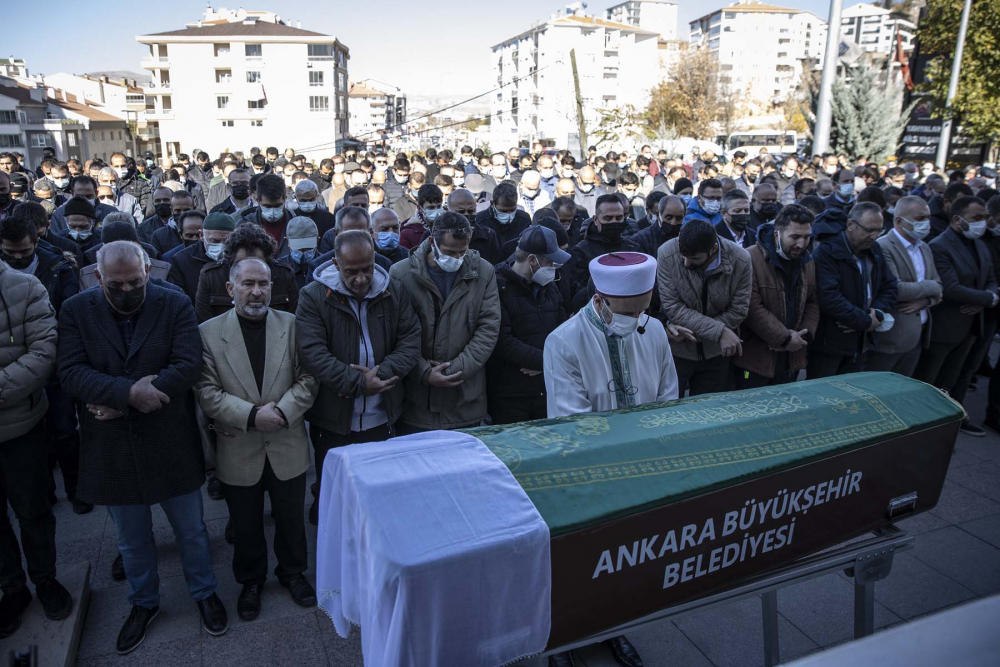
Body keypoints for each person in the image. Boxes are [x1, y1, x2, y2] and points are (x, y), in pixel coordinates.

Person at [57, 241, 228, 653]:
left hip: (169, 437)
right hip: (111, 445)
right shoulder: (77, 310)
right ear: (99, 278)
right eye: (117, 284)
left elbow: (187, 365)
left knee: (191, 529)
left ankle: (204, 592)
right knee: (132, 539)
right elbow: (71, 372)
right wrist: (128, 393)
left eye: (135, 281)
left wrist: (125, 402)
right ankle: (144, 602)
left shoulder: (175, 303)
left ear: (148, 270)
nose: (127, 290)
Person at [543, 250, 677, 667]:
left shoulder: (651, 328)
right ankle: (559, 641)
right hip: (586, 471)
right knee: (576, 562)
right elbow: (573, 422)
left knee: (623, 561)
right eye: (627, 311)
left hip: (643, 466)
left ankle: (612, 628)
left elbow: (668, 396)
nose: (636, 320)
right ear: (601, 299)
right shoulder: (564, 341)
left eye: (642, 309)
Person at [195, 257, 319, 620]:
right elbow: (206, 391)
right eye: (248, 284)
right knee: (245, 523)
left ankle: (293, 573)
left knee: (291, 519)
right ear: (231, 289)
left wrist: (280, 412)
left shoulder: (294, 325)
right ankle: (250, 581)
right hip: (239, 446)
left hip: (286, 438)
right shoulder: (208, 332)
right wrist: (252, 416)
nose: (257, 291)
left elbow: (309, 379)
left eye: (263, 283)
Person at [296, 230, 421, 523]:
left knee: (379, 495)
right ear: (337, 264)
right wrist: (358, 384)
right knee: (336, 496)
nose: (361, 279)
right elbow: (312, 353)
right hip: (334, 419)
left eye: (366, 269)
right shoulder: (313, 296)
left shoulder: (395, 291)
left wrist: (382, 375)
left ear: (374, 258)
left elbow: (410, 340)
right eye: (352, 272)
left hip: (383, 414)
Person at [0, 252, 74, 638]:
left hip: (20, 424)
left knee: (33, 510)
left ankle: (45, 579)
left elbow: (44, 353)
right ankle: (12, 586)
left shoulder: (24, 287)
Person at [389, 212, 500, 433]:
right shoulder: (401, 274)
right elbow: (394, 333)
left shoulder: (483, 272)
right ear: (432, 241)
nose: (457, 259)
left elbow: (488, 328)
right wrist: (423, 372)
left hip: (464, 399)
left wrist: (455, 370)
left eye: (462, 252)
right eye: (449, 252)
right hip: (415, 401)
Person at [913, 196, 996, 436]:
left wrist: (987, 299)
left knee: (959, 376)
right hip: (945, 326)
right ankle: (920, 428)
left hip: (971, 325)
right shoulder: (940, 245)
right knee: (930, 380)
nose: (983, 222)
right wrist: (986, 299)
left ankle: (949, 421)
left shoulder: (979, 244)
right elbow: (949, 288)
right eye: (977, 218)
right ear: (958, 220)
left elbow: (990, 278)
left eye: (985, 217)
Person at [658, 219, 752, 395]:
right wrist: (720, 332)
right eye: (683, 256)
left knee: (707, 411)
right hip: (677, 352)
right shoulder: (666, 253)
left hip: (716, 354)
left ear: (713, 250)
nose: (686, 263)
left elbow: (738, 310)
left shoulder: (741, 260)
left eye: (694, 258)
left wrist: (709, 333)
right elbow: (672, 307)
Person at [487, 226, 569, 424]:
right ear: (532, 260)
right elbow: (502, 340)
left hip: (546, 388)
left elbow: (563, 330)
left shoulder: (549, 288)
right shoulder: (498, 286)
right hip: (510, 394)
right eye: (550, 262)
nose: (554, 268)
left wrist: (547, 363)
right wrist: (546, 360)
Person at [809, 202, 899, 378]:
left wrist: (877, 314)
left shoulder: (874, 249)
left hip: (860, 342)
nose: (874, 236)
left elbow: (890, 286)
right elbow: (829, 297)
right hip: (829, 344)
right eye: (869, 230)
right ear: (850, 225)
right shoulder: (827, 252)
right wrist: (865, 321)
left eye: (879, 230)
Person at [733, 205, 818, 388]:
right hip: (756, 360)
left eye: (806, 237)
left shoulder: (807, 261)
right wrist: (785, 338)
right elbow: (751, 307)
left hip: (792, 358)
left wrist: (804, 335)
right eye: (795, 237)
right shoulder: (749, 258)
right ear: (777, 235)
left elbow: (812, 301)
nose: (801, 244)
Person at [866, 196, 943, 375]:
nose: (926, 223)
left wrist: (925, 302)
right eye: (919, 219)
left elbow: (940, 287)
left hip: (917, 337)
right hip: (890, 340)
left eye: (928, 217)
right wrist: (930, 287)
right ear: (900, 221)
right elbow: (896, 289)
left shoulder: (924, 247)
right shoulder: (883, 246)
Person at [195, 221, 299, 324]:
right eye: (243, 263)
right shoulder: (211, 277)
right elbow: (206, 323)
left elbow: (292, 322)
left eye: (257, 263)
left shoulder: (284, 275)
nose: (256, 292)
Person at [564, 195, 637, 308]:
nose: (614, 223)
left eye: (619, 218)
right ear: (595, 220)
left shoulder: (633, 249)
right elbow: (581, 293)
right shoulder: (581, 252)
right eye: (608, 218)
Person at [168, 212, 235, 305]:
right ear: (201, 235)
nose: (221, 245)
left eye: (226, 241)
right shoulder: (181, 260)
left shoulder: (239, 257)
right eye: (215, 241)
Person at [478, 182, 531, 249]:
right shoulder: (480, 222)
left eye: (512, 210)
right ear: (492, 204)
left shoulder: (524, 220)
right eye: (503, 211)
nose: (508, 214)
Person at [285, 216, 319, 288]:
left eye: (308, 248)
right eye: (298, 248)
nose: (303, 252)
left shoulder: (326, 266)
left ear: (317, 241)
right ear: (287, 241)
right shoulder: (280, 269)